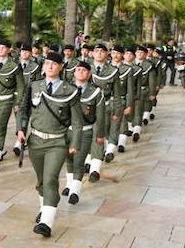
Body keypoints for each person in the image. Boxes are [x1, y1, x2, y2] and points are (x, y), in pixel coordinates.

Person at [16, 52, 83, 238]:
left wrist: (75, 142)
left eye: (54, 64)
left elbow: (77, 121)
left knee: (51, 179)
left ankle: (46, 222)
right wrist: (21, 130)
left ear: (61, 67)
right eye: (47, 63)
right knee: (41, 182)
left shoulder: (70, 91)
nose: (50, 66)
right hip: (36, 141)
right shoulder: (34, 86)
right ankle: (44, 208)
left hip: (57, 142)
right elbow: (24, 110)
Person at [61, 61, 105, 204]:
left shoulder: (95, 92)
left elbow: (100, 115)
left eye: (84, 70)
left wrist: (100, 135)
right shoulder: (66, 89)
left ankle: (75, 190)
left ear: (89, 74)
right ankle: (69, 184)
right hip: (68, 131)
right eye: (78, 70)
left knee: (79, 161)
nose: (80, 72)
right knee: (69, 160)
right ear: (74, 73)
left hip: (85, 131)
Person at [0, 39, 24, 171]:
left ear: (8, 50)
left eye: (3, 48)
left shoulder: (14, 66)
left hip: (6, 100)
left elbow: (20, 86)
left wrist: (17, 102)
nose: (0, 50)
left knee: (1, 127)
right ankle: (0, 149)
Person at [87, 44, 120, 179]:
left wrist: (117, 112)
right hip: (86, 108)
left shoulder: (112, 71)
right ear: (92, 54)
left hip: (104, 107)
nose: (99, 53)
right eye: (97, 51)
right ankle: (87, 161)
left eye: (102, 51)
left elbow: (116, 94)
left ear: (107, 54)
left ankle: (95, 169)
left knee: (98, 136)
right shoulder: (84, 68)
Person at [11, 43, 41, 155]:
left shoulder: (35, 67)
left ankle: (18, 143)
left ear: (30, 53)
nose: (24, 53)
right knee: (19, 117)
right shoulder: (14, 64)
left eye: (27, 51)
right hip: (15, 95)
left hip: (28, 96)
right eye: (23, 51)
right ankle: (20, 136)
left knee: (23, 117)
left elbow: (38, 82)